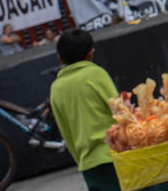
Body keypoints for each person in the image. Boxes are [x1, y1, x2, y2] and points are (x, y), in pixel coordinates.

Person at [50, 29, 120, 191]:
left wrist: (81, 159)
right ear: (91, 54)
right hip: (115, 156)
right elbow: (120, 112)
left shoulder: (56, 88)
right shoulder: (96, 74)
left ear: (60, 58)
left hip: (88, 163)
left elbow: (65, 131)